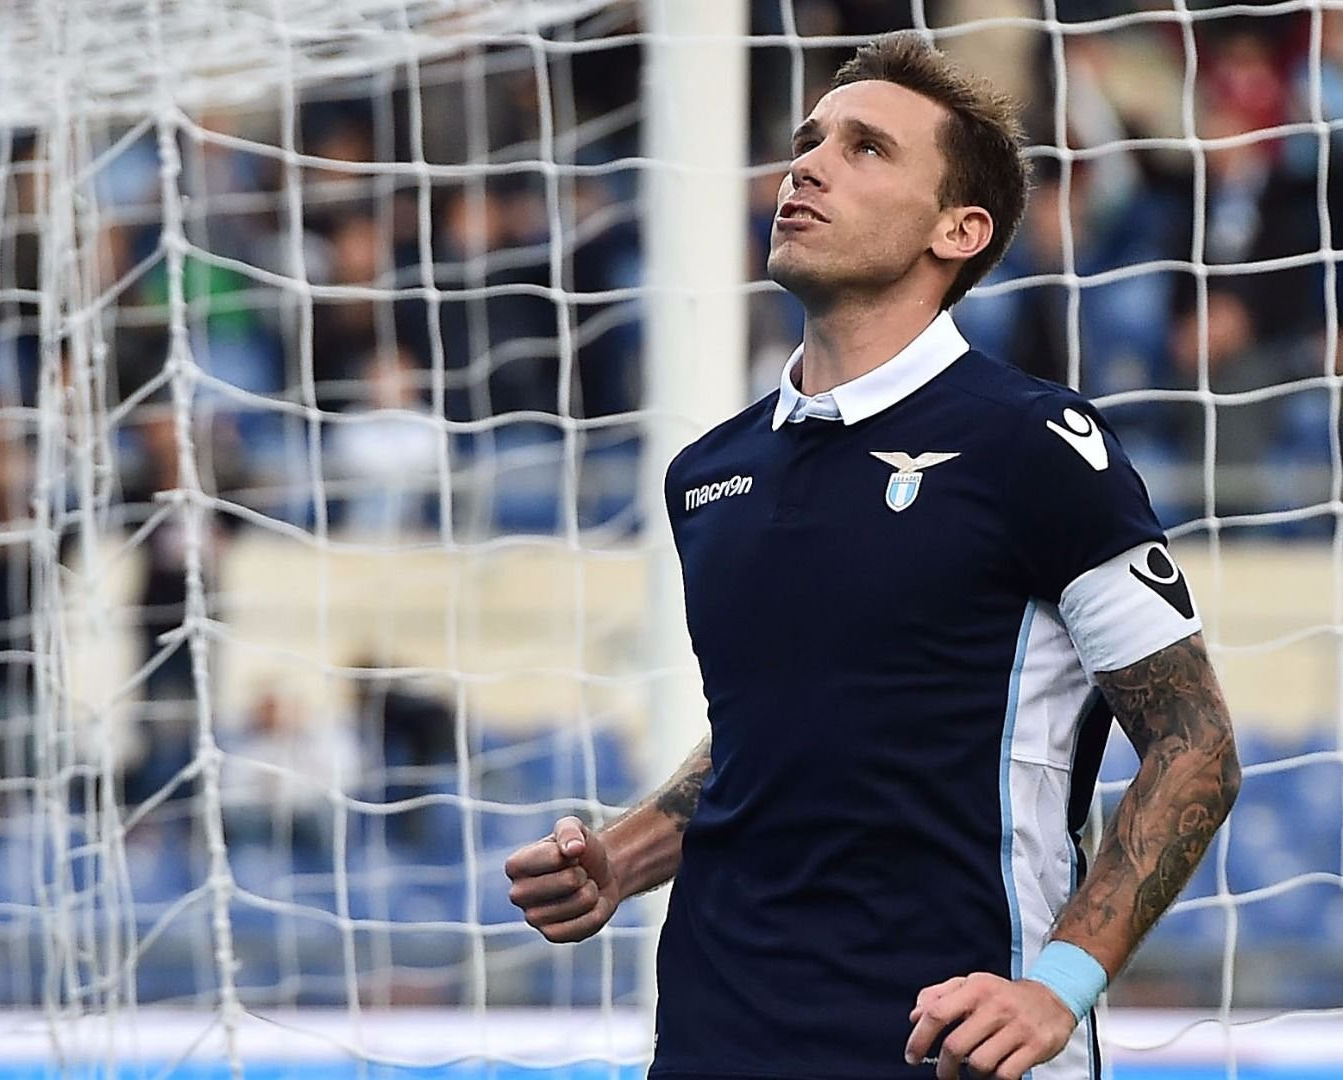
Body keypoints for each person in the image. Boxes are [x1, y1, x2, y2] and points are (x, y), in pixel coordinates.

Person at [504, 33, 1241, 1080]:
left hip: (952, 1045)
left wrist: (1059, 986)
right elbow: (772, 732)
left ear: (959, 229)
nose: (807, 166)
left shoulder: (1035, 444)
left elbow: (1195, 741)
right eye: (808, 141)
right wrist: (624, 855)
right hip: (717, 1041)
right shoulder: (709, 474)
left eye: (865, 149)